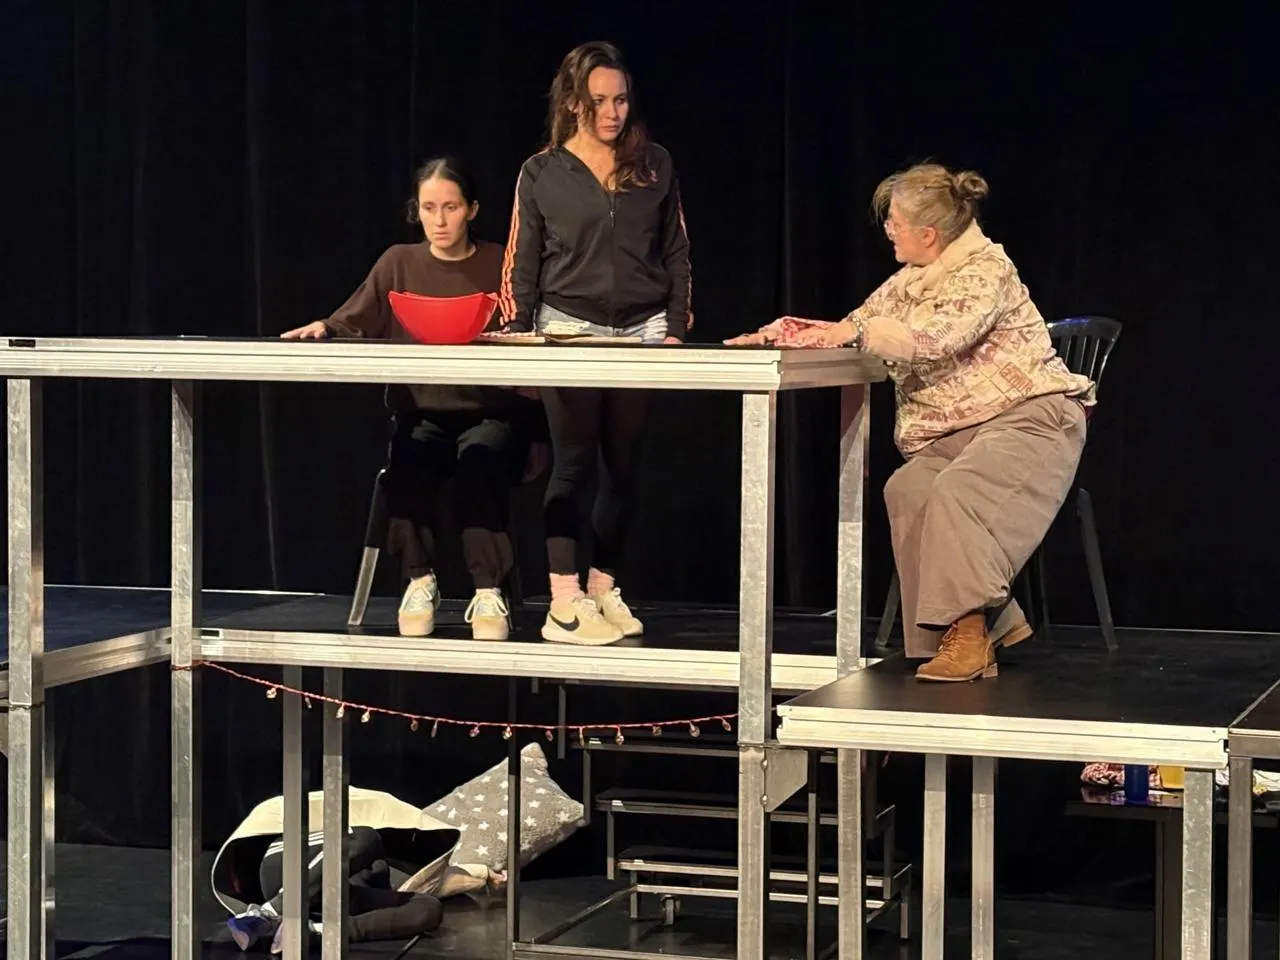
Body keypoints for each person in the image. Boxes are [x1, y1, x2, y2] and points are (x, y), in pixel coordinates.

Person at [728, 163, 1094, 682]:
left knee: (955, 490)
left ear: (928, 234)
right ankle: (970, 629)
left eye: (895, 222)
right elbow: (853, 326)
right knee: (908, 488)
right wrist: (780, 335)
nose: (888, 230)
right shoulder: (911, 282)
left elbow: (937, 338)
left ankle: (970, 637)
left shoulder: (986, 271)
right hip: (959, 433)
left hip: (1032, 418)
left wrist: (862, 333)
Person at [282, 157, 547, 641]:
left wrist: (535, 428)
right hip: (422, 412)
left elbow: (529, 330)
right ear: (416, 211)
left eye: (450, 207)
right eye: (429, 208)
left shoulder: (499, 262)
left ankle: (488, 590)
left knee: (480, 461)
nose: (439, 220)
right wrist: (325, 326)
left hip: (490, 413)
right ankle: (420, 581)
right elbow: (352, 317)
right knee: (409, 462)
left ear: (472, 210)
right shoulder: (398, 263)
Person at [499, 40, 693, 646]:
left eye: (622, 100)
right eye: (600, 101)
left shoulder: (653, 163)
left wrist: (676, 328)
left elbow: (676, 251)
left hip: (642, 328)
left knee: (623, 467)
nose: (613, 112)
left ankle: (604, 588)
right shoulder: (542, 172)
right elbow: (522, 261)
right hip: (568, 327)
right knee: (573, 462)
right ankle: (564, 601)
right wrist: (520, 337)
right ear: (573, 103)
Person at [226, 826, 443, 953]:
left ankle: (312, 933)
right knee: (368, 837)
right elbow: (365, 839)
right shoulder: (357, 835)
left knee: (429, 907)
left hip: (333, 900)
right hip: (291, 868)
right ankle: (270, 911)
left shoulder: (381, 873)